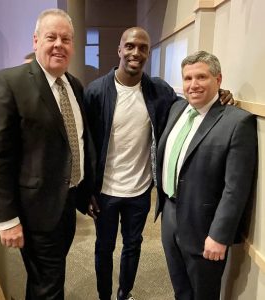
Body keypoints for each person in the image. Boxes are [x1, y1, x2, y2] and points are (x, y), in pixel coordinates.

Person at [84, 27, 233, 300]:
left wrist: (219, 94)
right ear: (119, 50)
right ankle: (104, 296)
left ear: (147, 53)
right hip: (105, 192)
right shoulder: (95, 92)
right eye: (129, 46)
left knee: (133, 246)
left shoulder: (159, 91)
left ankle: (123, 293)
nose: (135, 53)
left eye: (142, 48)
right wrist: (87, 190)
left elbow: (191, 103)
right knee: (103, 247)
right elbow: (86, 145)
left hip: (141, 191)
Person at [0, 8, 95, 300]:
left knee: (49, 279)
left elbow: (80, 141)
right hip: (34, 211)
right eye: (51, 37)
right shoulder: (10, 82)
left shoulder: (74, 85)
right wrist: (7, 219)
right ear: (36, 41)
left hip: (67, 203)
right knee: (48, 284)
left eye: (66, 39)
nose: (59, 44)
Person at [155, 50, 258, 300]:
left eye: (201, 77)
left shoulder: (237, 122)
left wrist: (219, 235)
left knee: (204, 294)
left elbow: (236, 187)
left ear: (218, 80)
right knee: (180, 288)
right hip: (170, 213)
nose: (193, 85)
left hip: (204, 227)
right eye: (188, 78)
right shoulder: (177, 108)